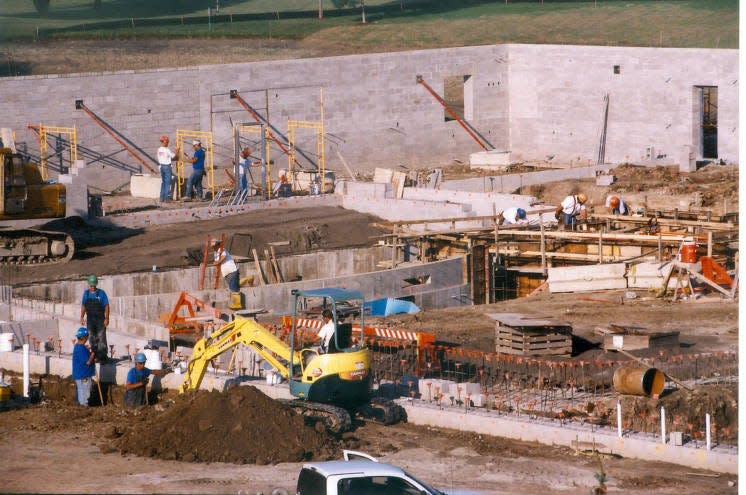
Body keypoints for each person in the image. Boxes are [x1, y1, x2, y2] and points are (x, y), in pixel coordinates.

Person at [80, 274, 109, 363]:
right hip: (90, 320)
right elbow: (84, 306)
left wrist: (107, 318)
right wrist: (81, 317)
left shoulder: (101, 293)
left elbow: (106, 306)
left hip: (100, 320)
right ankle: (95, 356)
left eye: (93, 285)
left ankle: (103, 357)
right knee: (92, 339)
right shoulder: (86, 294)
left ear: (96, 284)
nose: (92, 287)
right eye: (91, 285)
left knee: (101, 338)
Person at [72, 327, 95, 406]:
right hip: (83, 375)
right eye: (87, 337)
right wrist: (92, 354)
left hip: (81, 374)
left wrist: (87, 349)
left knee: (82, 391)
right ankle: (83, 407)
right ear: (85, 337)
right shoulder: (81, 349)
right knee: (85, 393)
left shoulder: (79, 346)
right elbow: (88, 362)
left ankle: (82, 406)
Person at [156, 135, 178, 203]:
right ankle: (167, 198)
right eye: (167, 142)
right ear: (164, 142)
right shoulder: (167, 150)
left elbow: (167, 157)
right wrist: (177, 151)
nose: (167, 143)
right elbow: (174, 157)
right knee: (168, 183)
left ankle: (161, 198)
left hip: (161, 166)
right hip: (167, 167)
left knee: (164, 182)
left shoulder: (159, 149)